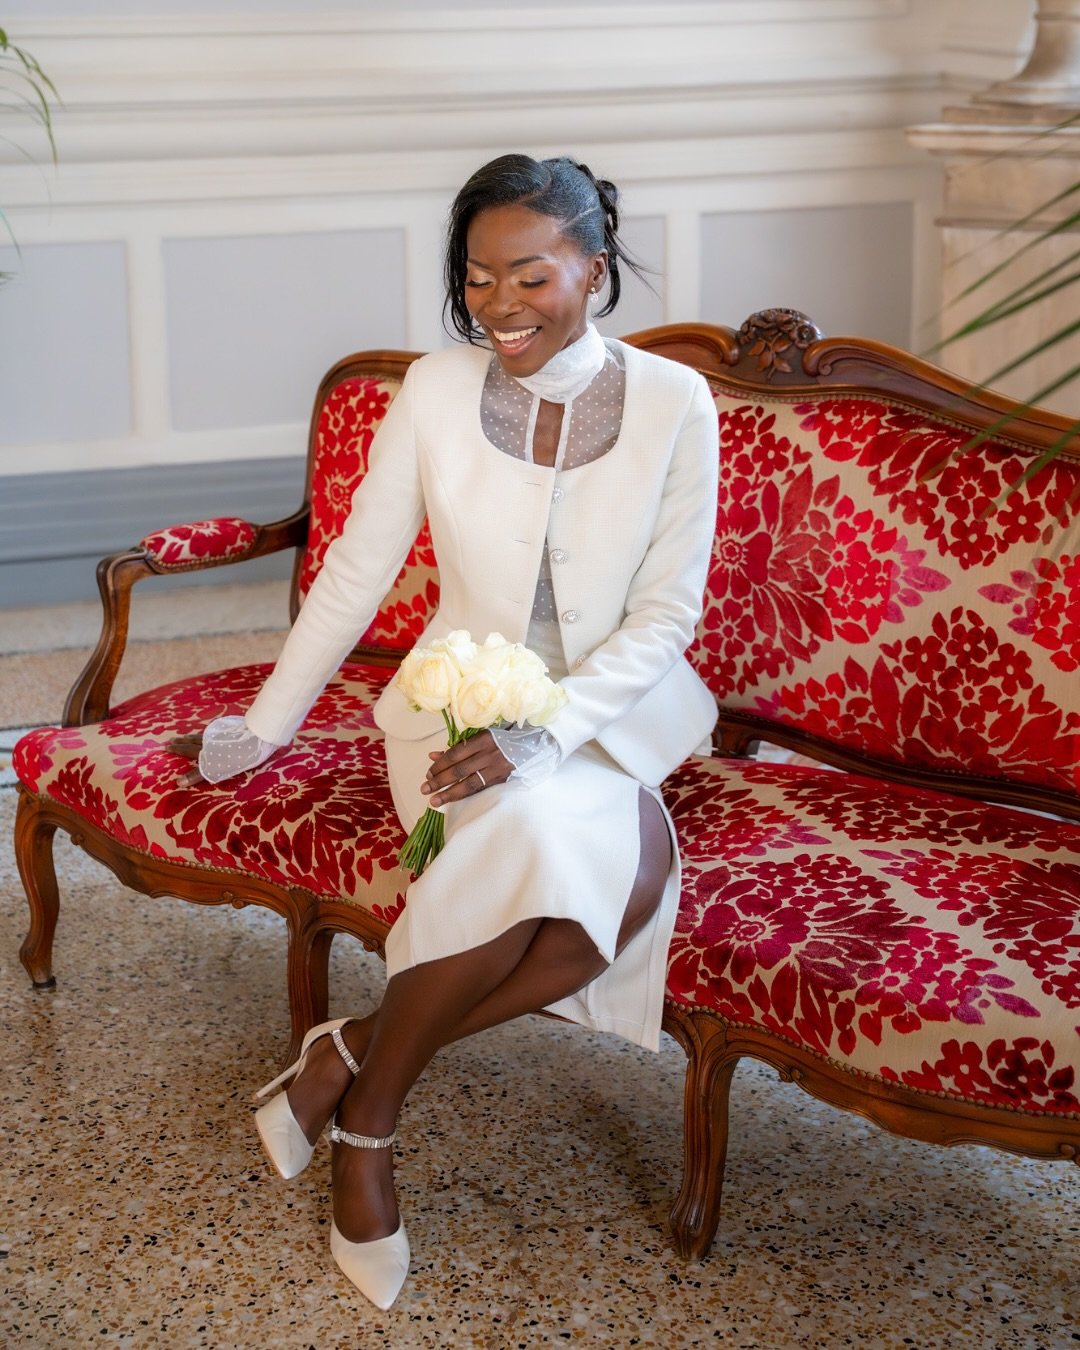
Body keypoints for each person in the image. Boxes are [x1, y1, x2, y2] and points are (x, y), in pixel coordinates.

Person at [180, 153, 719, 1310]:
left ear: (594, 265)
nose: (500, 303)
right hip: (453, 713)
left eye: (530, 273)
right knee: (537, 859)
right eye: (478, 278)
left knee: (597, 918)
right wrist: (267, 723)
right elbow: (354, 573)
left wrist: (551, 732)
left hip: (607, 719)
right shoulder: (431, 389)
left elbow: (670, 610)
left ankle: (354, 1065)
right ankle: (369, 1137)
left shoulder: (677, 400)